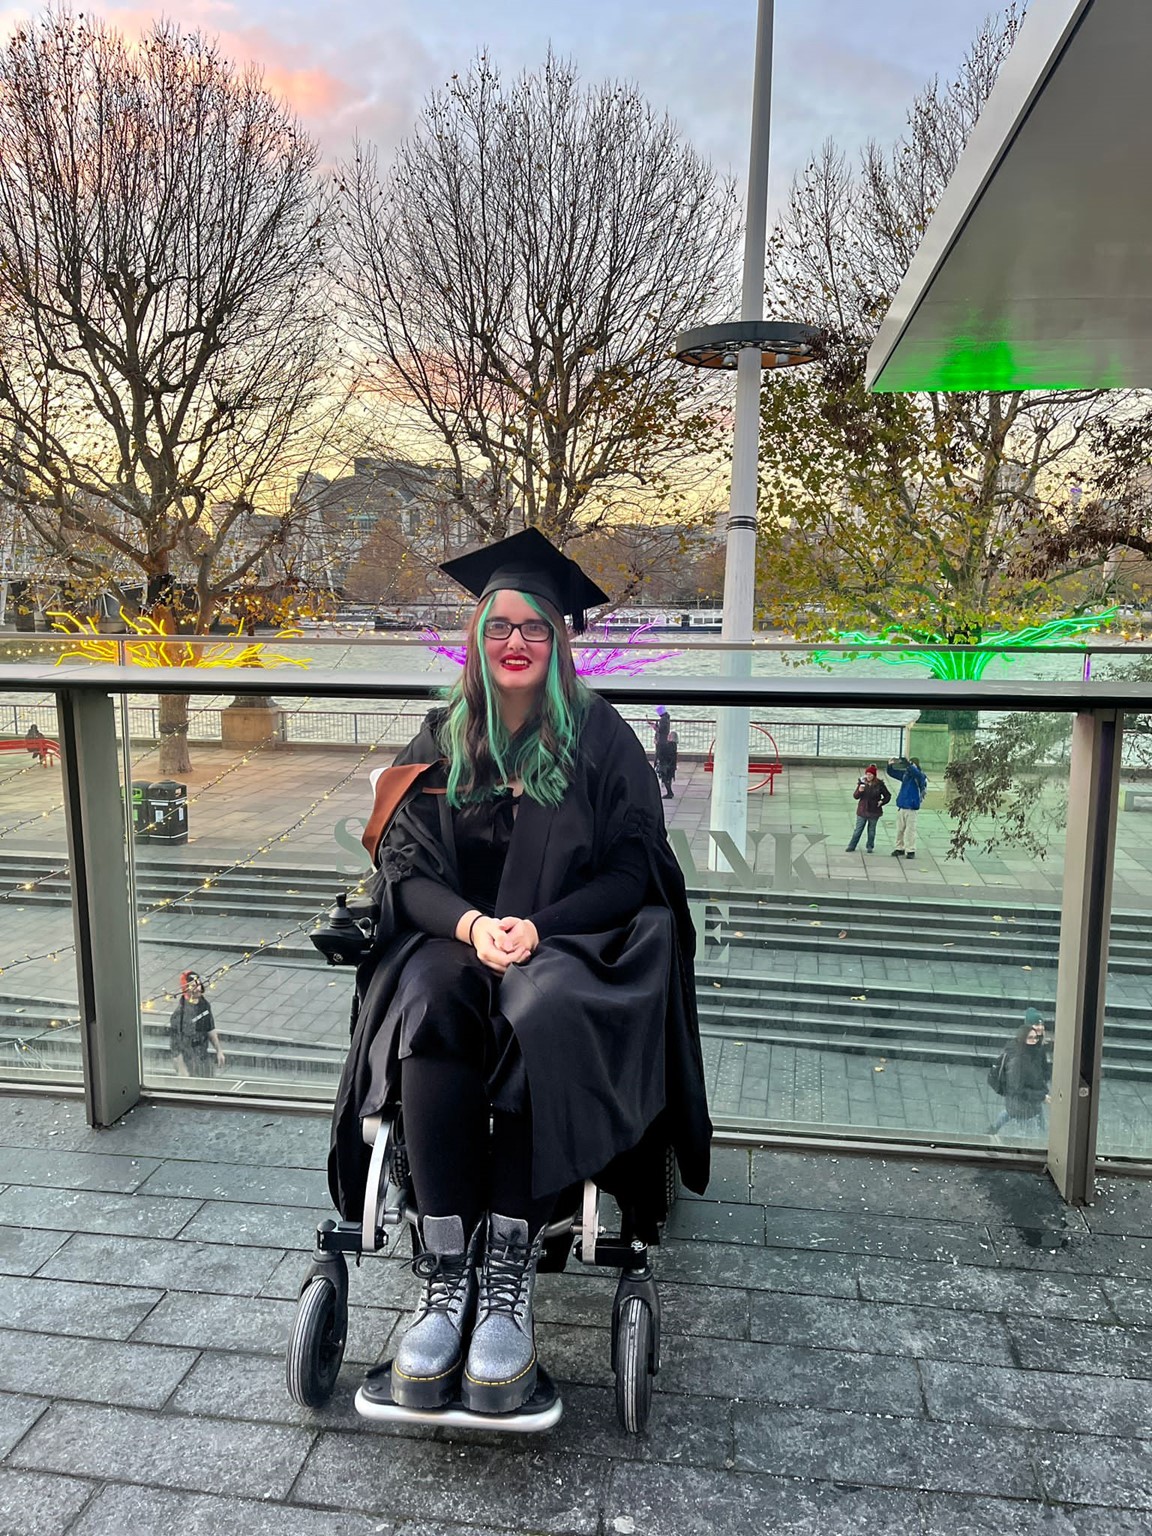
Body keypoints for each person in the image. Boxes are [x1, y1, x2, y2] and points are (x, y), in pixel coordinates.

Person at [328, 529, 710, 1418]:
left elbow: (632, 870)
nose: (514, 643)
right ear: (477, 636)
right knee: (427, 998)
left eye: (533, 629)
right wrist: (470, 926)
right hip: (455, 940)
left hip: (568, 944)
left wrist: (537, 928)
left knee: (547, 1009)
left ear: (558, 641)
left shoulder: (603, 737)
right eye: (499, 625)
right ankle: (448, 1268)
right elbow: (404, 867)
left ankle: (508, 1272)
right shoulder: (444, 732)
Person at [988, 1008, 1052, 1139]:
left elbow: (1040, 1070)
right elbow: (1018, 1088)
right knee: (1028, 1127)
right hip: (1024, 1101)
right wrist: (1041, 1096)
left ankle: (994, 1128)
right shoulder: (1019, 1058)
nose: (1040, 1027)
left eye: (1041, 1024)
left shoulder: (1035, 1047)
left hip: (1030, 1096)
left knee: (1012, 1113)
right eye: (1036, 1025)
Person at [168, 971, 225, 1077]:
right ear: (187, 989)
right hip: (188, 1058)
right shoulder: (180, 1014)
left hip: (203, 1056)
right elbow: (175, 1047)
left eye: (199, 984)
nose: (198, 989)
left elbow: (210, 1029)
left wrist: (219, 1051)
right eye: (194, 986)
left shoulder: (204, 1004)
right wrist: (182, 1070)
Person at [886, 755, 928, 859]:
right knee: (900, 829)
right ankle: (899, 848)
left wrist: (908, 765)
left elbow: (916, 773)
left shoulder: (920, 776)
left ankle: (910, 850)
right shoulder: (906, 775)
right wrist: (890, 766)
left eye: (912, 764)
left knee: (910, 830)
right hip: (902, 806)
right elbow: (892, 773)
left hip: (912, 808)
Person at [845, 765, 891, 853]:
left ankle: (870, 846)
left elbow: (887, 796)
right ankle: (852, 845)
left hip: (874, 810)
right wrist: (859, 791)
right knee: (858, 830)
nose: (868, 776)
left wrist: (882, 801)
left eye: (870, 774)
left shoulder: (879, 784)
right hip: (863, 810)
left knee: (871, 830)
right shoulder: (862, 783)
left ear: (874, 775)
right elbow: (855, 796)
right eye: (867, 774)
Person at [653, 709, 678, 799]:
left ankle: (669, 793)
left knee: (666, 778)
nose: (668, 736)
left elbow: (662, 752)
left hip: (667, 765)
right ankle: (669, 792)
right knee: (667, 779)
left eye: (670, 736)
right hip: (669, 765)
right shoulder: (672, 745)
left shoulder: (669, 745)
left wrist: (657, 742)